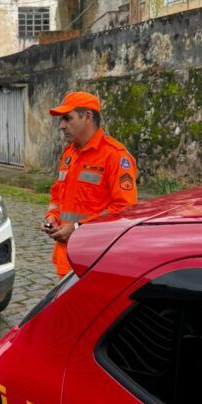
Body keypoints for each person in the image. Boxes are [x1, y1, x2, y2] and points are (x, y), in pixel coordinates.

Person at [42, 91, 138, 276]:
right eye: (62, 120)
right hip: (67, 257)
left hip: (97, 259)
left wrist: (78, 228)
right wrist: (52, 217)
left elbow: (125, 208)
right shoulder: (69, 154)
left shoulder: (115, 156)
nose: (61, 125)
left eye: (67, 118)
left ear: (87, 117)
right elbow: (58, 195)